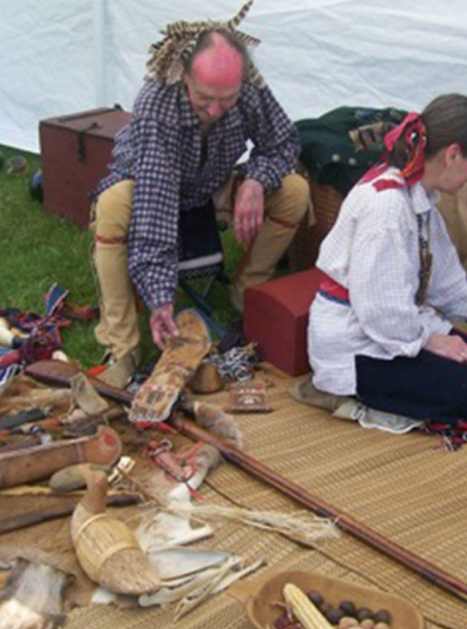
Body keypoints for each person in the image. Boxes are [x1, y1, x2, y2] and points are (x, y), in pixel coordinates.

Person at [90, 6, 309, 387]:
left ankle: (249, 297)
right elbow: (155, 208)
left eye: (226, 100)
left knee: (294, 191)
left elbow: (283, 142)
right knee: (112, 204)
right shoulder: (158, 104)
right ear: (184, 76)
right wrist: (161, 299)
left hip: (210, 184)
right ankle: (122, 347)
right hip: (146, 188)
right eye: (204, 98)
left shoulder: (250, 90)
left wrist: (256, 181)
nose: (214, 110)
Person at [294, 94, 467, 449]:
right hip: (358, 345)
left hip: (398, 325)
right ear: (452, 154)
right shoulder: (386, 207)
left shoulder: (417, 194)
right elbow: (378, 308)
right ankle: (339, 396)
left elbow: (444, 274)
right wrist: (431, 341)